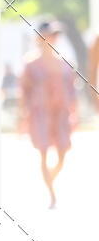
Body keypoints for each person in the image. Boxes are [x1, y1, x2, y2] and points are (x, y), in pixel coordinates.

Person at [19, 19, 77, 208]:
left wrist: (75, 113)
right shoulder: (31, 64)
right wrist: (22, 117)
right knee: (44, 152)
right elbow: (24, 92)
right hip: (40, 114)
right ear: (40, 38)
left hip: (61, 114)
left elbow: (72, 90)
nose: (52, 38)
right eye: (49, 35)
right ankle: (52, 195)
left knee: (62, 153)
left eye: (54, 35)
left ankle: (49, 179)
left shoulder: (64, 63)